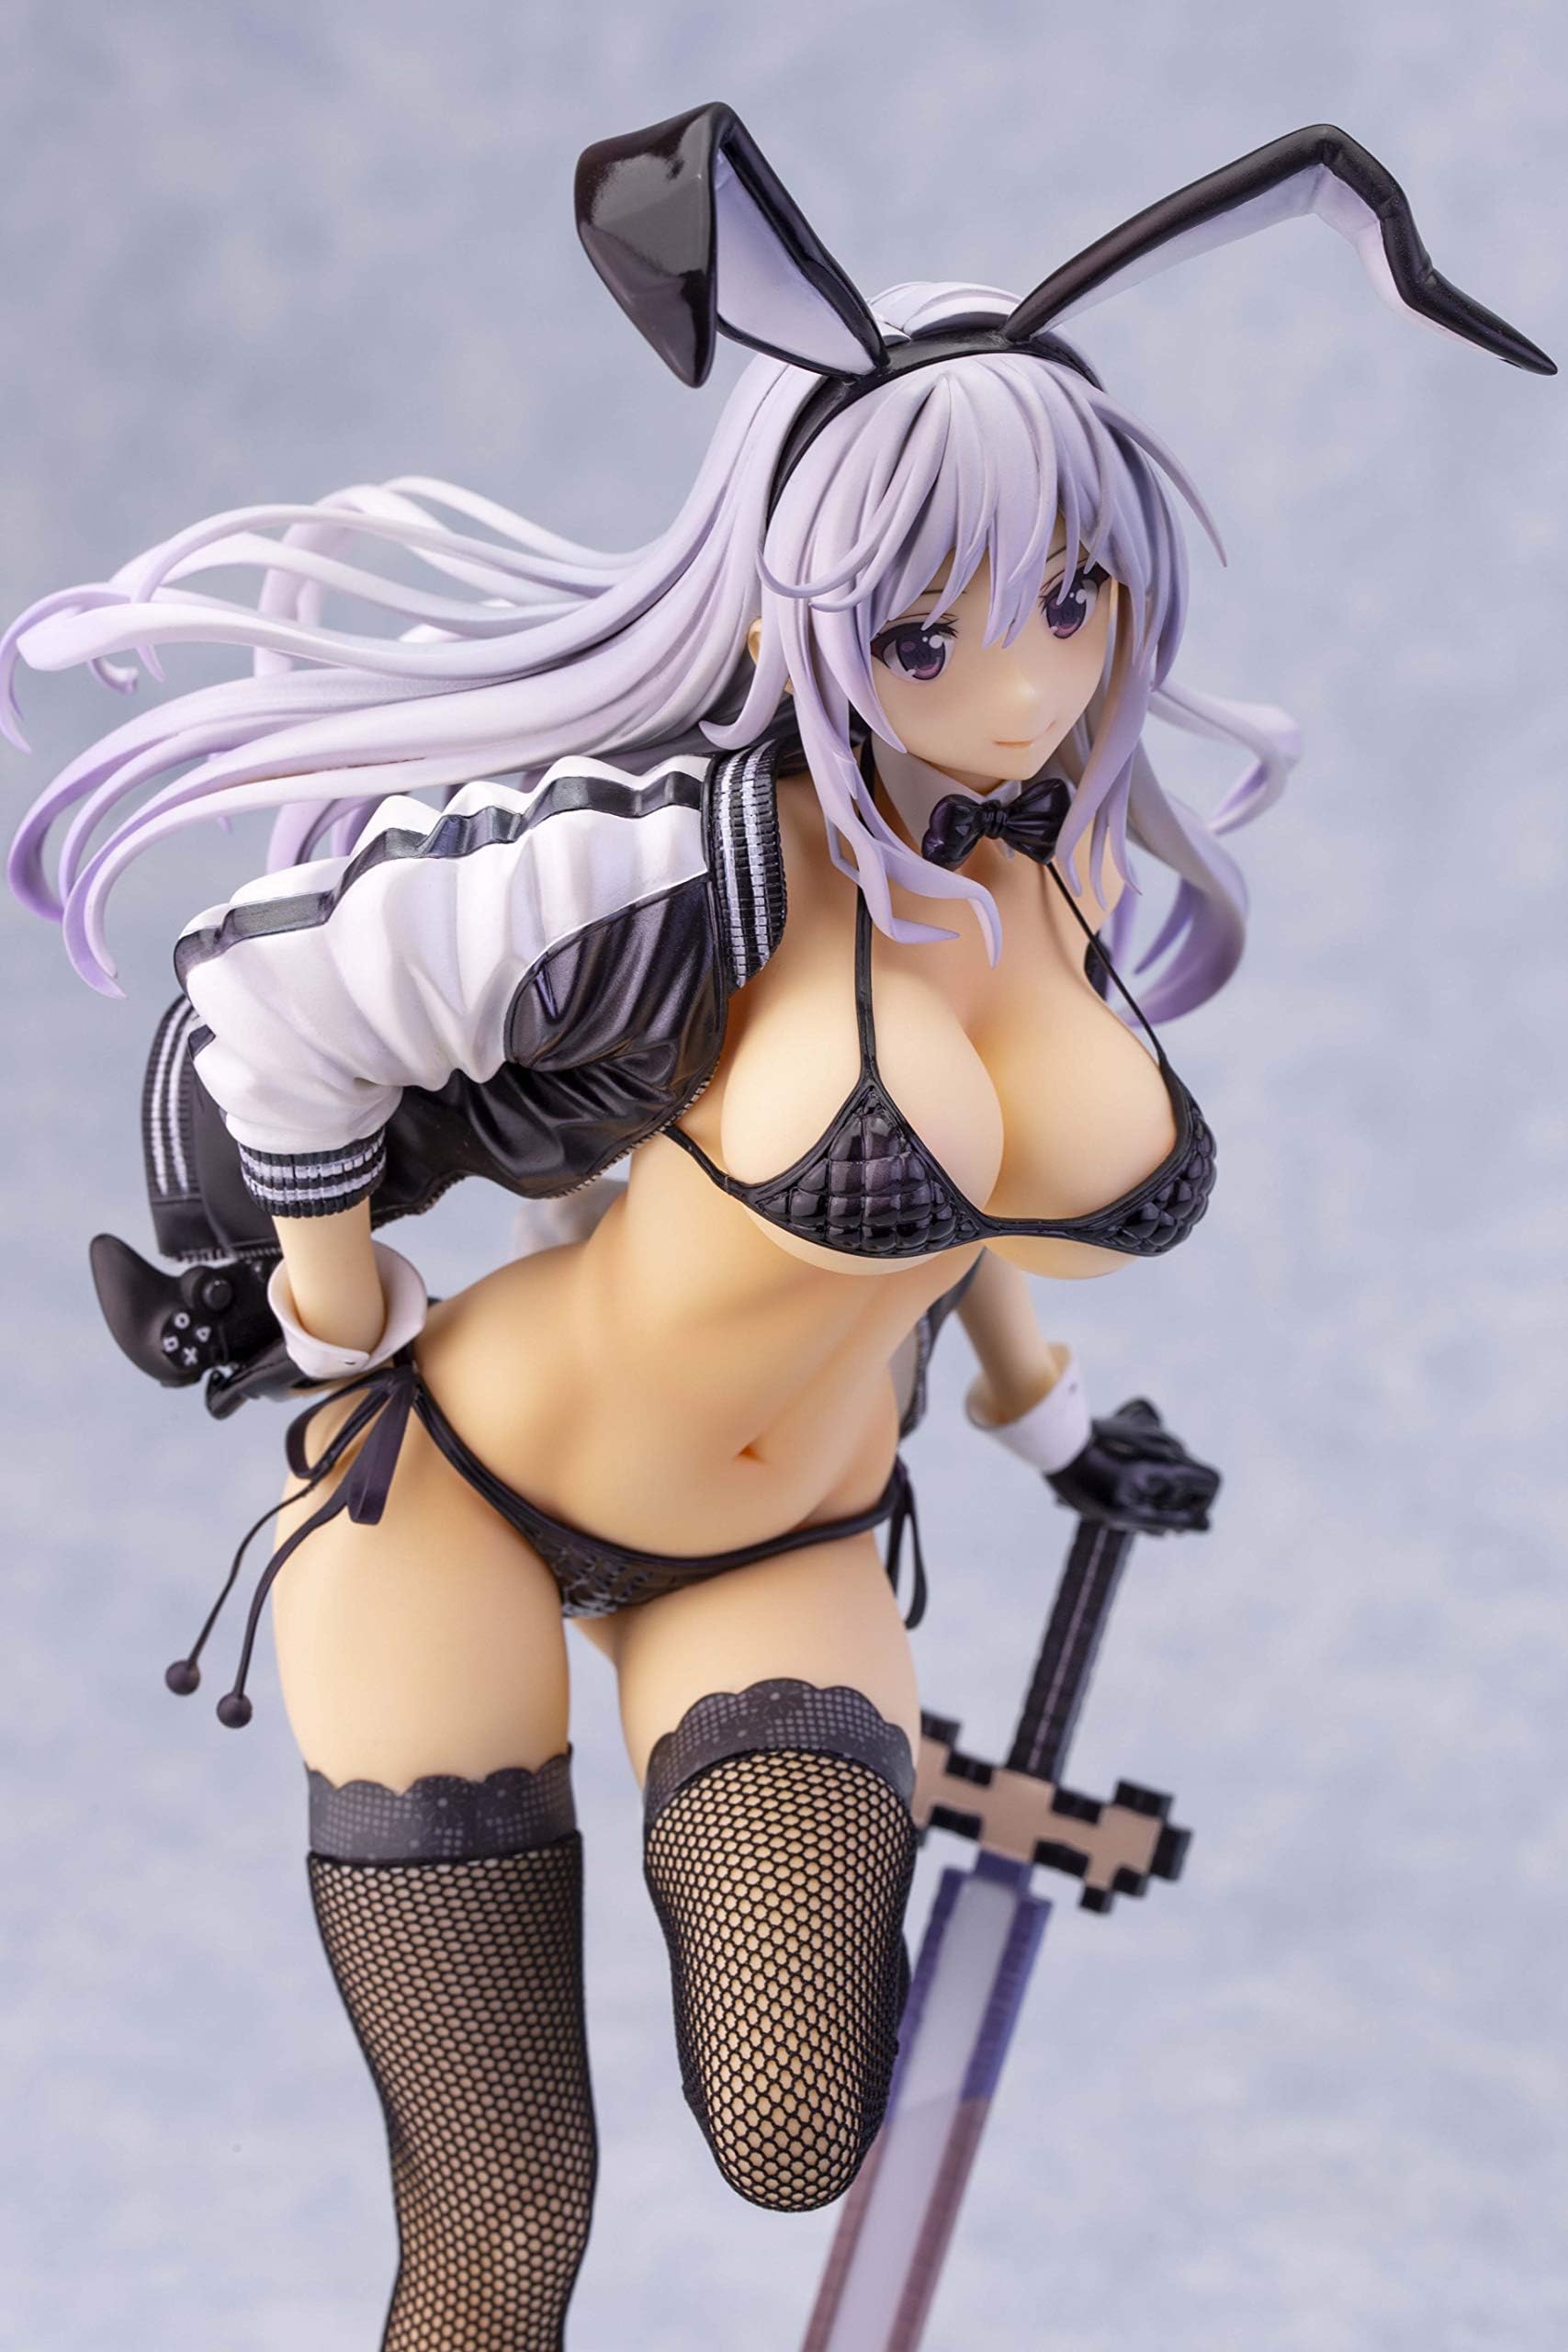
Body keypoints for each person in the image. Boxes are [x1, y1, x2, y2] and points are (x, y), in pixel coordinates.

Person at [3, 104, 1549, 2352]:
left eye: (1069, 598)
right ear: (794, 600)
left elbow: (945, 1215)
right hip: (457, 1493)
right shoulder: (687, 859)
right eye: (926, 627)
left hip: (788, 1539)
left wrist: (1042, 1418)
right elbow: (272, 1001)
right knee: (505, 2213)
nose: (1018, 683)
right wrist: (330, 1311)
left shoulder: (1058, 867)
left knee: (798, 2114)